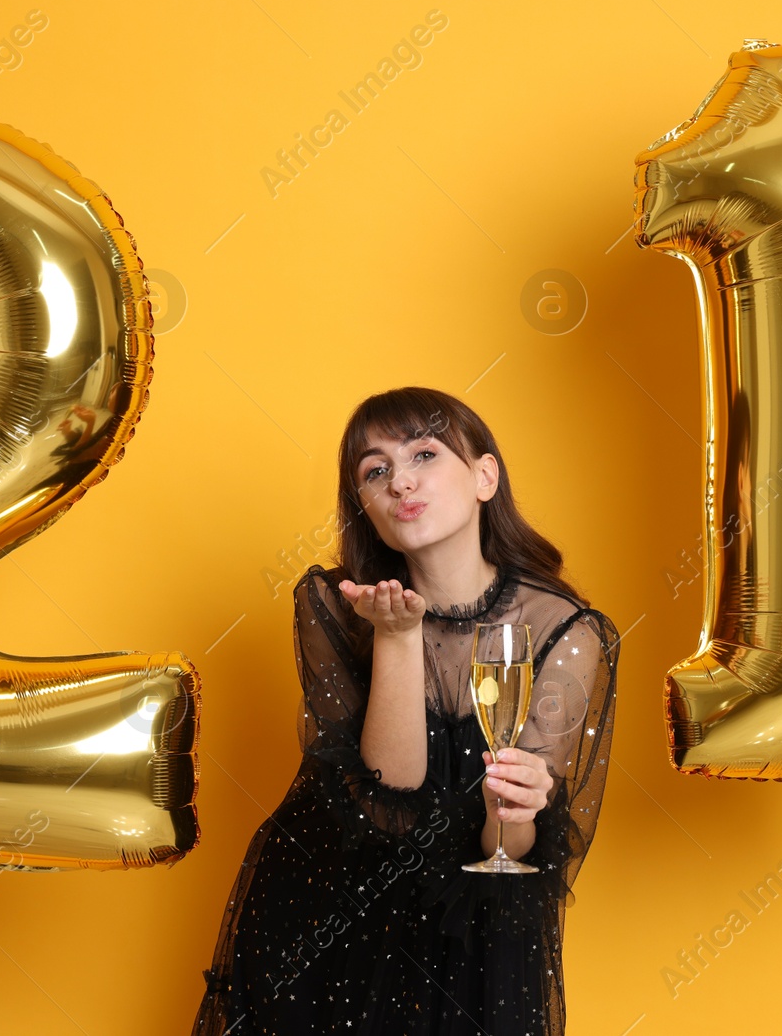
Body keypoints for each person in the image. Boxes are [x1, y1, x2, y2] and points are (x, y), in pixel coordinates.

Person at [191, 386, 621, 1035]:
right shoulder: (334, 603)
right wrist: (396, 637)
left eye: (424, 452)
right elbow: (390, 797)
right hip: (328, 917)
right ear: (363, 504)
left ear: (484, 476)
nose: (400, 481)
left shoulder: (565, 630)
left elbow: (510, 858)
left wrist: (515, 808)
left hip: (475, 935)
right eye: (376, 469)